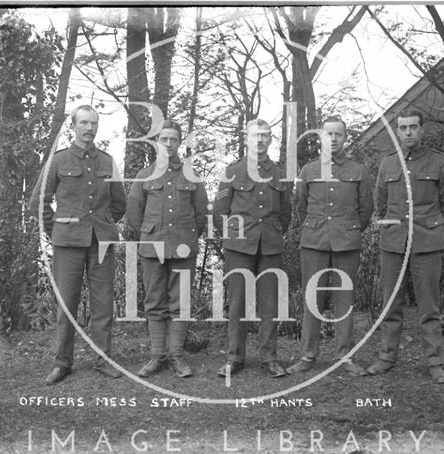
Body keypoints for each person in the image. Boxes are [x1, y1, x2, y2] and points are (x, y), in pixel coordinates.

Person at [29, 104, 127, 385]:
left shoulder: (108, 162)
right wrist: (55, 229)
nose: (89, 128)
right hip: (67, 243)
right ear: (74, 126)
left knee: (103, 305)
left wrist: (105, 223)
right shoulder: (59, 161)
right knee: (66, 304)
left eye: (94, 123)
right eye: (84, 123)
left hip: (101, 243)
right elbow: (37, 202)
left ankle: (102, 360)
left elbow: (119, 203)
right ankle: (62, 363)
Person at [367, 108, 444, 384]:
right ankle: (386, 357)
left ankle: (434, 362)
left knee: (428, 307)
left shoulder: (439, 162)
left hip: (427, 245)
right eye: (403, 128)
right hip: (393, 243)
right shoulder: (388, 164)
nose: (407, 132)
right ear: (397, 131)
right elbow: (380, 203)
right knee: (390, 304)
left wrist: (433, 232)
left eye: (412, 127)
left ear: (422, 130)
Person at [287, 116, 374, 377]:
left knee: (344, 300)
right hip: (314, 243)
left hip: (347, 243)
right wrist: (317, 228)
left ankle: (344, 357)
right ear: (321, 138)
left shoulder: (358, 171)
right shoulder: (308, 171)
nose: (333, 139)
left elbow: (365, 209)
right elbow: (300, 207)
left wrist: (347, 229)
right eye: (329, 134)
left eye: (338, 134)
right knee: (312, 299)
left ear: (345, 138)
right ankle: (307, 355)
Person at [126, 120, 208, 378]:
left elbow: (201, 214)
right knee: (154, 303)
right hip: (152, 248)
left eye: (174, 139)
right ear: (157, 143)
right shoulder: (144, 176)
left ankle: (176, 357)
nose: (169, 144)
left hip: (183, 247)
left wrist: (185, 235)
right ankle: (156, 357)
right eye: (164, 139)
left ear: (179, 142)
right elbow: (133, 213)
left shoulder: (191, 175)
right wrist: (149, 235)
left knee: (180, 303)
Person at [213, 119, 292, 378]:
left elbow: (286, 212)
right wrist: (233, 238)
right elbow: (220, 213)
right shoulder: (233, 171)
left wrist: (273, 232)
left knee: (270, 304)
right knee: (237, 303)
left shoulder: (279, 173)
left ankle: (269, 357)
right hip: (239, 247)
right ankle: (234, 358)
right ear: (246, 138)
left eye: (265, 136)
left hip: (269, 245)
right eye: (255, 135)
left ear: (271, 140)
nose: (260, 140)